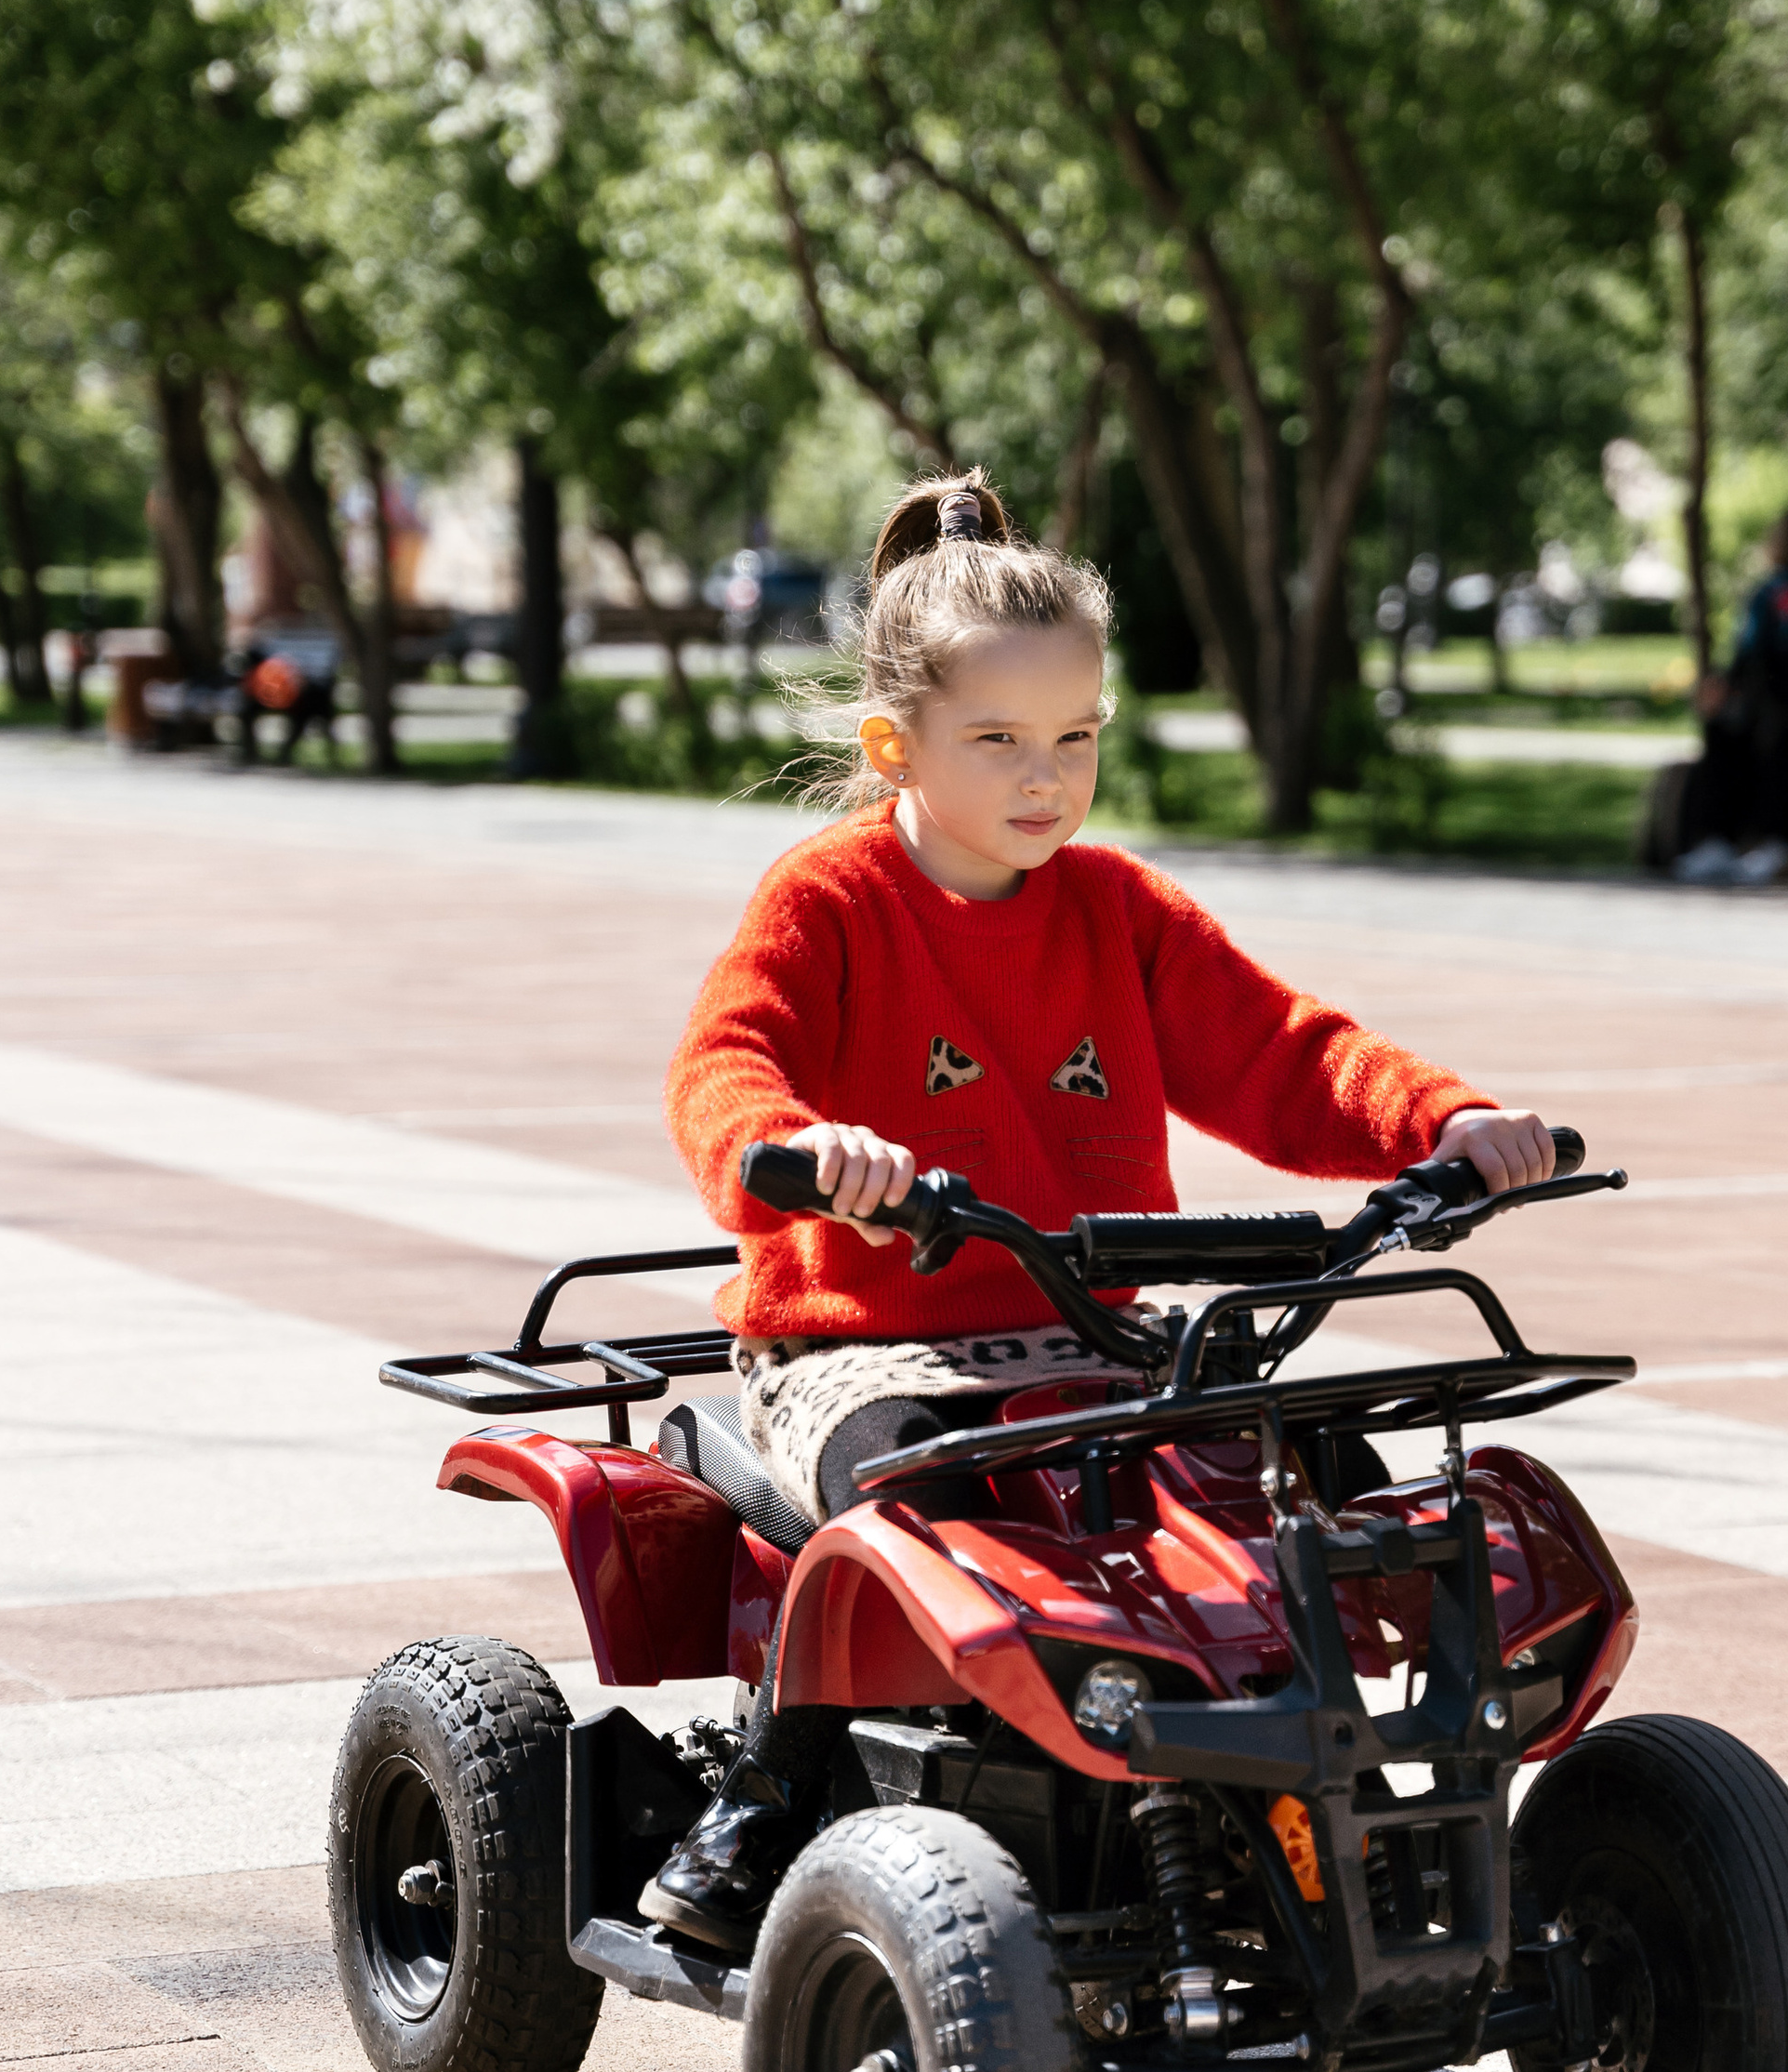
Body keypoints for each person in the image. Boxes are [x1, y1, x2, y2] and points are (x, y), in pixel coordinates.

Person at [641, 469, 1556, 1955]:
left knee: (1290, 1486)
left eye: (1075, 739)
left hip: (1088, 1339)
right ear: (898, 745)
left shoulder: (1116, 909)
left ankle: (1312, 1810)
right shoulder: (832, 902)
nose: (1042, 778)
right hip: (858, 1352)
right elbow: (720, 1067)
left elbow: (1280, 1051)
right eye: (996, 740)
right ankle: (770, 1781)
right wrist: (802, 1151)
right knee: (908, 1494)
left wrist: (1441, 1118)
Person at [1673, 509, 1788, 883]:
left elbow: (1749, 652)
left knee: (1724, 741)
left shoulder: (1772, 592)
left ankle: (1719, 841)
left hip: (1771, 706)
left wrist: (1724, 689)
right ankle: (1773, 844)